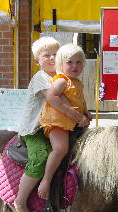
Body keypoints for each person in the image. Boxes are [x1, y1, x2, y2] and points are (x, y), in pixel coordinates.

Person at [15, 37, 87, 212]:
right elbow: (57, 100)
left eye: (55, 54)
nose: (51, 58)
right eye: (46, 56)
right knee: (41, 156)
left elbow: (76, 99)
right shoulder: (42, 78)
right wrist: (77, 116)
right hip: (35, 129)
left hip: (59, 125)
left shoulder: (66, 78)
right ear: (37, 61)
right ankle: (21, 201)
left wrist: (85, 114)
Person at [38, 43, 91, 200]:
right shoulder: (62, 81)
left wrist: (85, 112)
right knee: (60, 149)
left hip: (70, 123)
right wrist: (68, 111)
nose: (74, 66)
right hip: (57, 122)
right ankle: (46, 181)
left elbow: (78, 100)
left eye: (78, 62)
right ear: (61, 64)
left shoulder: (77, 82)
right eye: (69, 62)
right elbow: (51, 96)